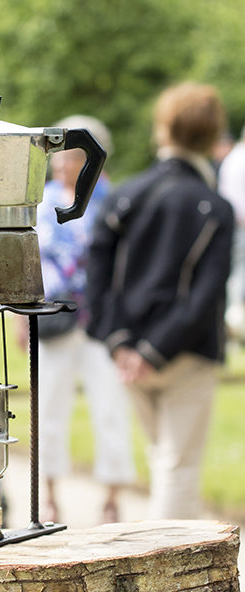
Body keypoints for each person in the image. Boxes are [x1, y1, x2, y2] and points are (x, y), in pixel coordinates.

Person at [87, 82, 234, 520]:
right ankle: (168, 579)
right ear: (212, 135)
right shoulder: (214, 206)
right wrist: (154, 349)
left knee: (162, 461)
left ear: (163, 129)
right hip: (183, 352)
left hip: (130, 351)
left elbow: (98, 276)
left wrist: (121, 343)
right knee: (177, 469)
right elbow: (206, 295)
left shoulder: (125, 196)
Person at [16, 116, 135, 524]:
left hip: (102, 322)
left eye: (70, 153)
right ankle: (47, 493)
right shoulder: (41, 200)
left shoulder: (114, 200)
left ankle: (113, 497)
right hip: (53, 319)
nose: (60, 161)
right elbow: (27, 262)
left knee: (111, 408)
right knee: (47, 407)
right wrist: (20, 319)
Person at [218, 124, 245, 342]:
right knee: (238, 278)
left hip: (232, 226)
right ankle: (234, 326)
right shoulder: (240, 159)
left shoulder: (232, 159)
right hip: (240, 227)